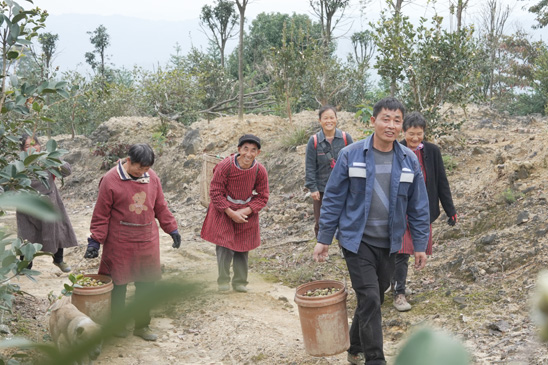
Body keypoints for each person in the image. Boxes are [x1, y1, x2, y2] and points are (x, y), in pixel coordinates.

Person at [312, 97, 430, 365]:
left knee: (373, 297)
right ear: (373, 121)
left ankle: (354, 347)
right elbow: (333, 198)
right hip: (357, 241)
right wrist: (324, 239)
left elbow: (419, 205)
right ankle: (375, 359)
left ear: (401, 126)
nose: (391, 125)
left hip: (390, 242)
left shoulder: (409, 160)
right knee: (370, 296)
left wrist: (420, 245)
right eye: (385, 119)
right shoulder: (351, 154)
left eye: (396, 120)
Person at [84, 143, 181, 341]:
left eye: (147, 168)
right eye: (139, 168)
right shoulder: (110, 180)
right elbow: (101, 214)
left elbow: (160, 206)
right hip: (119, 241)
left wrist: (172, 228)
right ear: (129, 161)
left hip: (147, 239)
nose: (143, 172)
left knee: (147, 284)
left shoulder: (152, 177)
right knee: (118, 285)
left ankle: (142, 326)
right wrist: (95, 241)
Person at [392, 111, 457, 312]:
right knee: (401, 251)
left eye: (419, 134)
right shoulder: (395, 150)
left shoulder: (432, 151)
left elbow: (441, 181)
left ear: (424, 133)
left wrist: (450, 209)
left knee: (413, 249)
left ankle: (396, 283)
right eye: (411, 133)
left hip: (422, 210)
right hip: (400, 210)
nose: (415, 138)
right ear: (403, 131)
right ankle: (399, 293)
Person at [201, 134, 269, 293]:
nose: (249, 154)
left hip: (246, 211)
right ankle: (223, 281)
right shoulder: (226, 166)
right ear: (239, 150)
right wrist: (231, 213)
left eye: (253, 150)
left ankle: (240, 282)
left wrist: (245, 211)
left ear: (258, 153)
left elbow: (263, 195)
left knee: (242, 247)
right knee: (224, 246)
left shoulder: (260, 170)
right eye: (245, 149)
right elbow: (215, 191)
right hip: (224, 209)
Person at [17, 133, 77, 273]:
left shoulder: (47, 161)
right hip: (27, 206)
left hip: (49, 204)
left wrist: (54, 158)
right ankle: (25, 266)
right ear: (22, 150)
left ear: (40, 145)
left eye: (35, 144)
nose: (33, 148)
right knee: (27, 235)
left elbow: (67, 171)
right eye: (27, 146)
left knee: (56, 231)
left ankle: (58, 260)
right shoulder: (19, 164)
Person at [305, 105, 353, 238]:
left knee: (344, 219)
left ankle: (344, 248)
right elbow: (310, 166)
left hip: (342, 187)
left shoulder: (345, 138)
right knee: (320, 221)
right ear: (320, 120)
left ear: (336, 119)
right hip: (321, 189)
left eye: (332, 117)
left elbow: (354, 163)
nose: (329, 121)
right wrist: (313, 188)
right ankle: (321, 248)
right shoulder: (314, 141)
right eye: (325, 118)